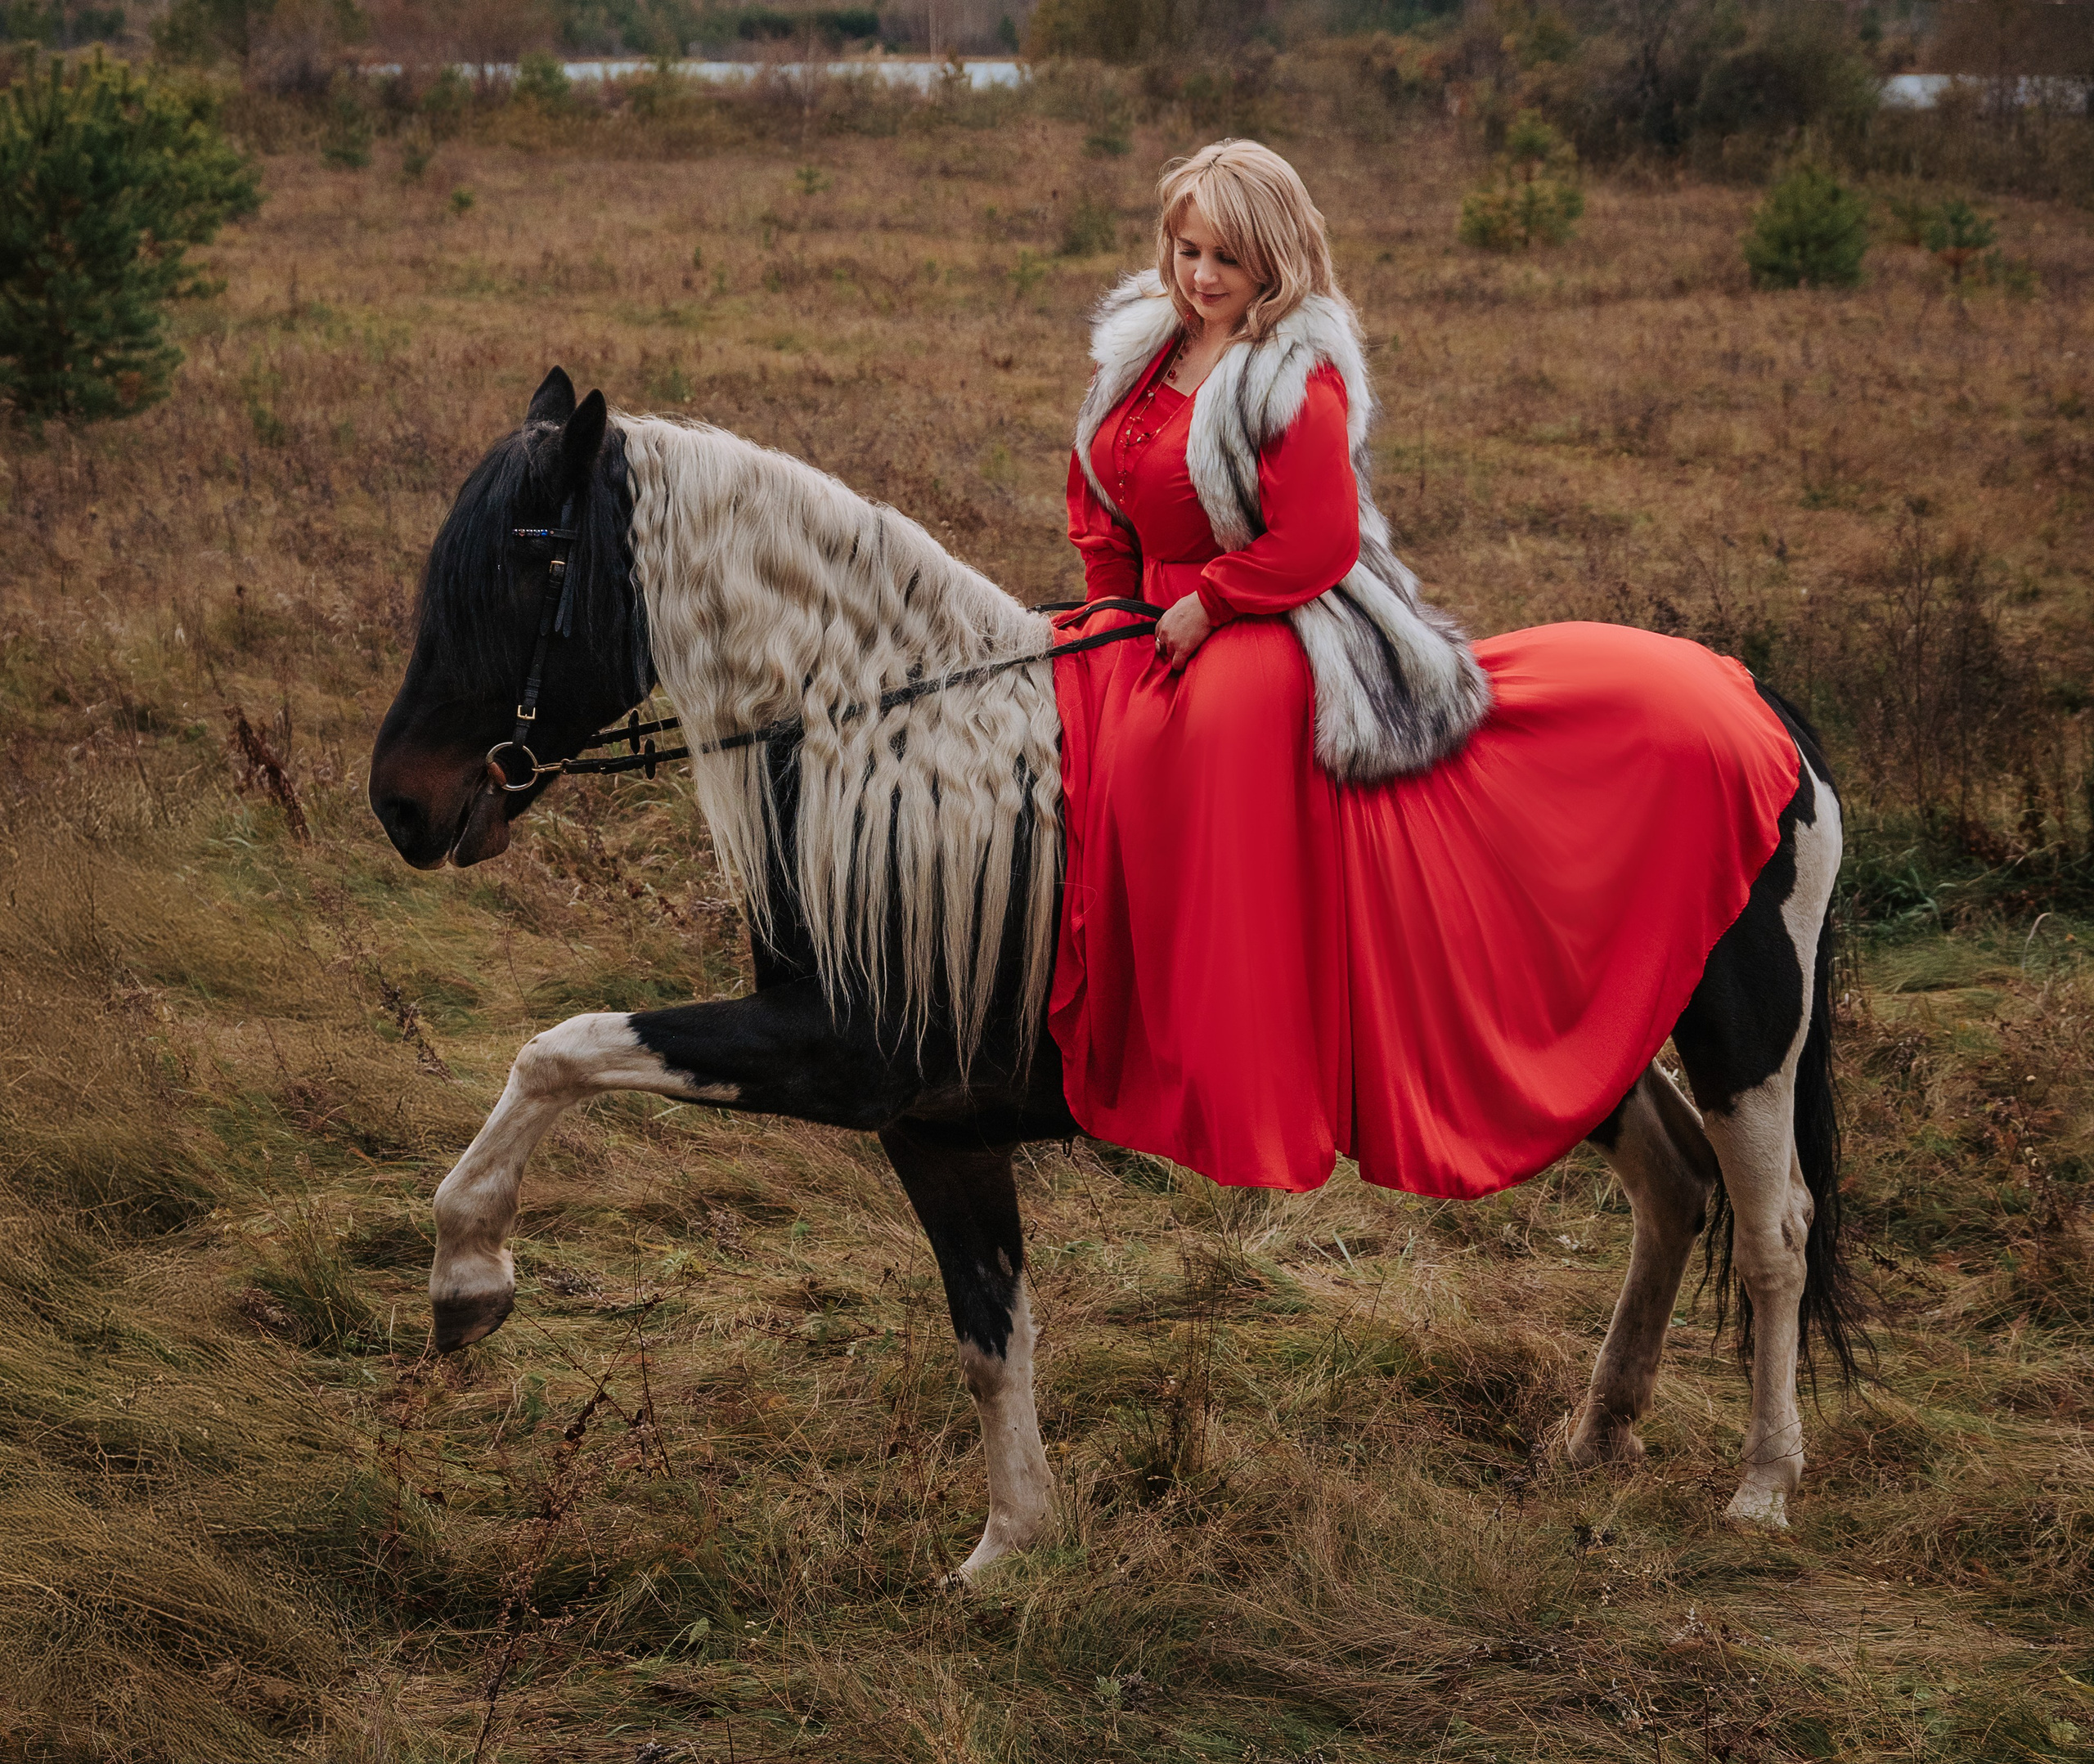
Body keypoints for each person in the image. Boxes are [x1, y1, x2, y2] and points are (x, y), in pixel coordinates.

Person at [1047, 140, 1802, 1198]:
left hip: (1269, 605)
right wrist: (1111, 609)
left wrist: (1207, 603)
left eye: (1226, 256)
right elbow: (1101, 496)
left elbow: (1314, 542)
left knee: (1220, 719)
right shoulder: (1137, 352)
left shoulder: (1290, 372)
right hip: (1144, 610)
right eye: (1186, 251)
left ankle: (1249, 1048)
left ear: (1276, 259)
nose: (1201, 276)